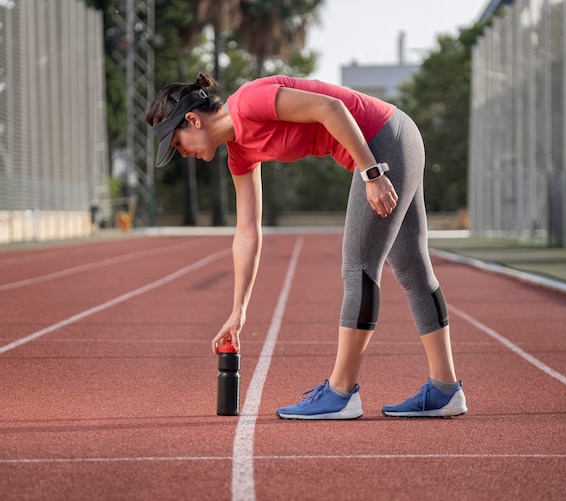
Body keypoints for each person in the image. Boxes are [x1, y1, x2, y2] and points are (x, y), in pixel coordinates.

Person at [146, 73, 467, 420]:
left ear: (192, 120)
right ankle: (445, 389)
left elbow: (330, 108)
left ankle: (341, 391)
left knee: (359, 266)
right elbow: (247, 231)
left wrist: (372, 173)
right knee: (411, 265)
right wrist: (238, 311)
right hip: (395, 137)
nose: (183, 154)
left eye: (178, 145)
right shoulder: (239, 154)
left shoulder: (249, 102)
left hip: (384, 141)